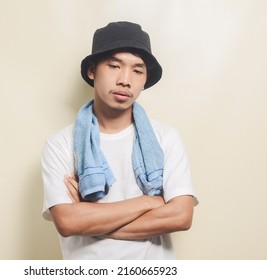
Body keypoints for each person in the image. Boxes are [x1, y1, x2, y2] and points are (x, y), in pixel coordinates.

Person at [41, 21, 198, 259]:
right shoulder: (61, 144)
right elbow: (68, 222)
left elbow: (181, 216)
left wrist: (90, 216)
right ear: (92, 70)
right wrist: (149, 201)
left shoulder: (166, 139)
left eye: (137, 70)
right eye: (114, 66)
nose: (125, 80)